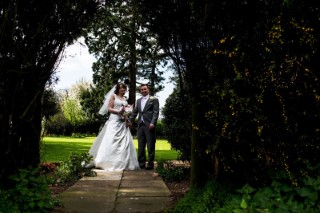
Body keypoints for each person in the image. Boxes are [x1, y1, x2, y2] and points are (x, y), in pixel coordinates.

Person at [88, 83, 140, 171]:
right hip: (114, 121)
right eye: (120, 88)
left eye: (124, 88)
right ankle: (106, 162)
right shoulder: (113, 96)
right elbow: (109, 108)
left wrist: (128, 121)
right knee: (111, 140)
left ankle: (124, 162)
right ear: (117, 89)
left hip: (122, 123)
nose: (122, 89)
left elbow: (125, 113)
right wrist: (119, 111)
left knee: (124, 143)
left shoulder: (124, 99)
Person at [129, 83, 160, 170]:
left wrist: (153, 123)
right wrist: (129, 121)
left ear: (148, 90)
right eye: (141, 89)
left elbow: (156, 112)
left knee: (150, 145)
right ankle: (141, 163)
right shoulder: (138, 101)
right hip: (140, 125)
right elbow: (135, 113)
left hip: (149, 125)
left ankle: (150, 164)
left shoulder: (154, 99)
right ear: (140, 91)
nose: (143, 90)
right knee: (141, 145)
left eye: (145, 89)